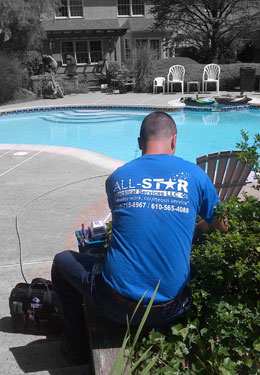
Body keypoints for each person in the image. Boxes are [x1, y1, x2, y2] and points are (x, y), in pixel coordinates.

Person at [51, 111, 227, 363]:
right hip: (171, 308)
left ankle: (74, 347)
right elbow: (223, 226)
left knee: (62, 262)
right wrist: (201, 228)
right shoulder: (195, 176)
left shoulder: (118, 177)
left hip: (114, 305)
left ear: (139, 143)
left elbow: (133, 220)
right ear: (174, 140)